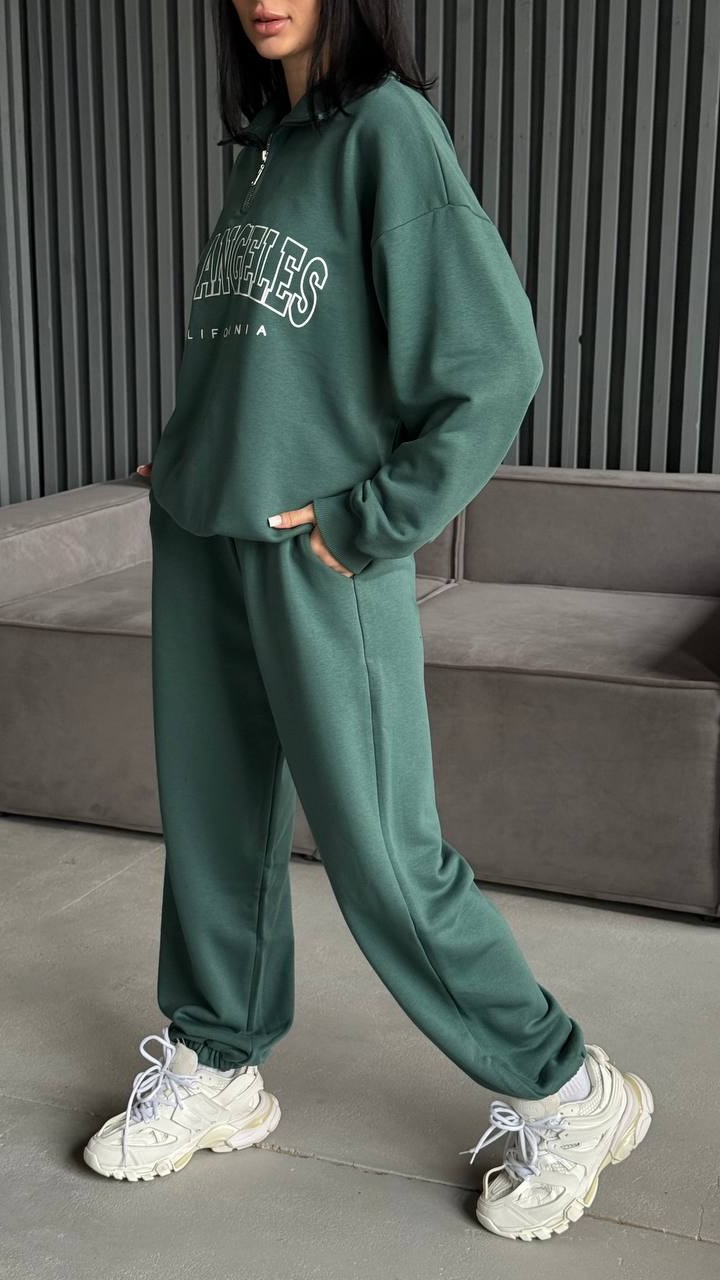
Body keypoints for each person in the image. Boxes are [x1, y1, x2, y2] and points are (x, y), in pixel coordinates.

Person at [82, 0, 653, 1241]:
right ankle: (220, 1060)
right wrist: (193, 458)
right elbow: (270, 357)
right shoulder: (263, 150)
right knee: (215, 827)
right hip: (207, 538)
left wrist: (373, 518)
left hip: (319, 555)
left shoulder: (388, 131)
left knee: (386, 855)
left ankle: (567, 1087)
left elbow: (497, 361)